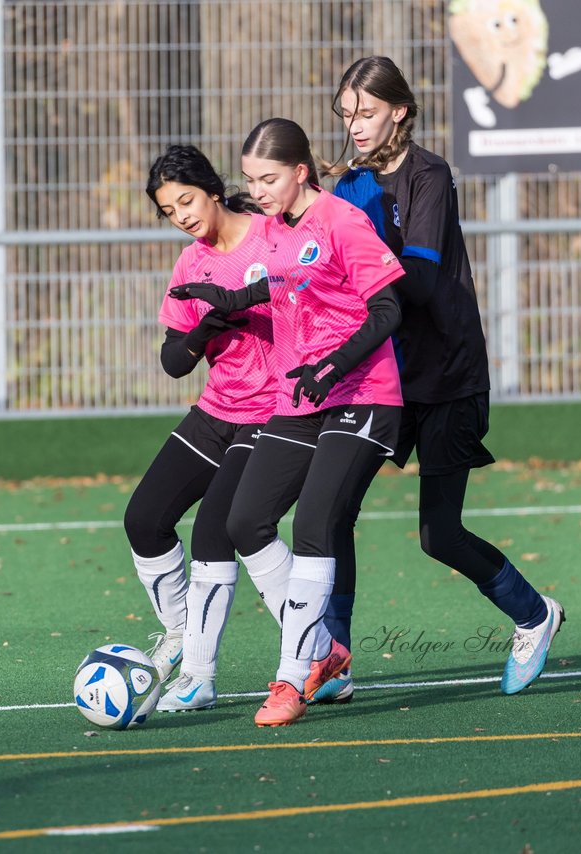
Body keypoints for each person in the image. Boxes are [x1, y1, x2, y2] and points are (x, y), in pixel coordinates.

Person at [325, 55, 564, 698]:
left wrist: (356, 269)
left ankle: (534, 614)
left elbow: (423, 282)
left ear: (399, 110)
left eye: (366, 112)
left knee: (439, 534)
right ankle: (333, 657)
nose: (355, 125)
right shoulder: (347, 185)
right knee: (332, 513)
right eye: (346, 115)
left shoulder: (430, 174)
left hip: (448, 372)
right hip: (384, 376)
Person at [170, 118, 405, 726]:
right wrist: (231, 303)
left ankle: (291, 678)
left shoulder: (343, 221)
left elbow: (387, 309)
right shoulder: (274, 231)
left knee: (315, 524)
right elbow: (280, 284)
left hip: (364, 393)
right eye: (249, 178)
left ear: (301, 171)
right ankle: (325, 651)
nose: (258, 189)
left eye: (268, 178)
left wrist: (336, 362)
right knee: (244, 519)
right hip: (302, 395)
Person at [124, 144, 276, 712]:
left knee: (215, 529)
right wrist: (203, 330)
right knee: (144, 518)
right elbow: (173, 360)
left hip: (275, 412)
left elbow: (309, 299)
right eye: (169, 210)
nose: (182, 215)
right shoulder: (192, 263)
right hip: (217, 411)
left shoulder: (271, 237)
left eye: (186, 200)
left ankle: (199, 674)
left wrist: (247, 300)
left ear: (213, 188)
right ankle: (180, 632)